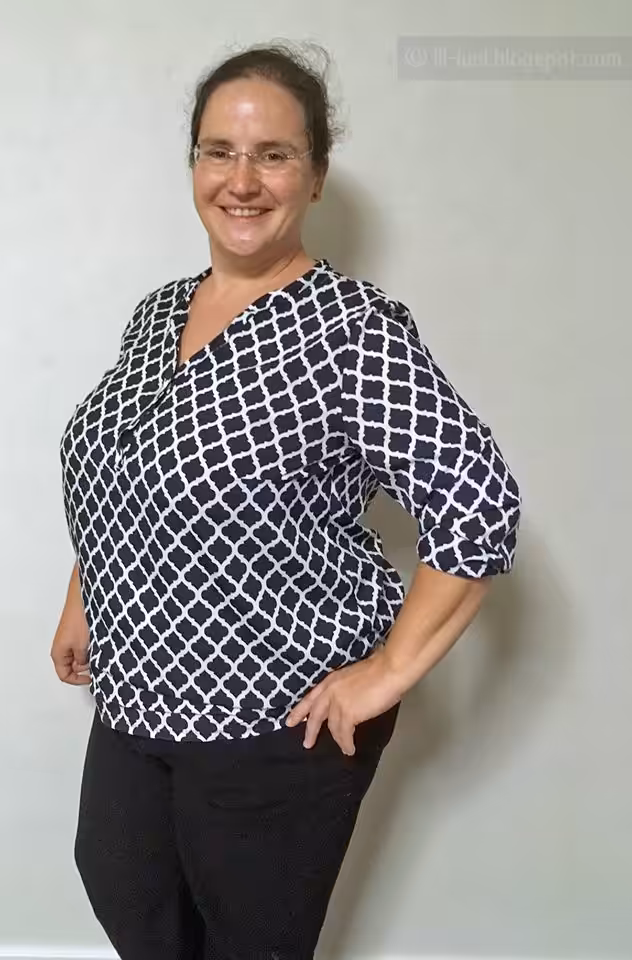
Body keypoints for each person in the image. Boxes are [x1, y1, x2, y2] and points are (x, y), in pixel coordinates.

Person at [51, 41, 521, 960]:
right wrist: (85, 594)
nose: (242, 180)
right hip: (136, 690)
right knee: (124, 886)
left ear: (315, 175)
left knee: (249, 939)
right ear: (193, 163)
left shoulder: (352, 327)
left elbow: (477, 501)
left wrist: (387, 673)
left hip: (273, 709)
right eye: (219, 151)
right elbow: (129, 464)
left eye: (273, 154)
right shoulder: (158, 312)